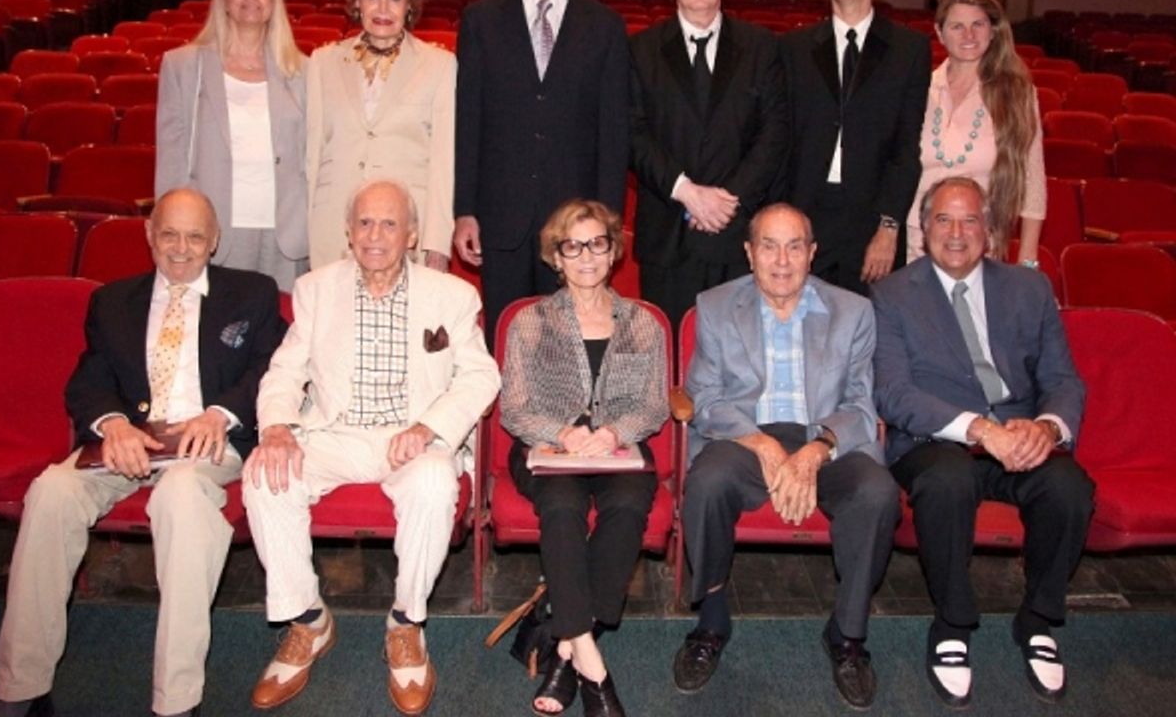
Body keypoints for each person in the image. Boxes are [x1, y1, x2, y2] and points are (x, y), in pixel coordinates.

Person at [0, 188, 285, 717]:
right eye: (168, 234)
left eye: (195, 236)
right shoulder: (113, 301)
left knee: (180, 498)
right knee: (50, 492)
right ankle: (21, 687)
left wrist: (220, 414)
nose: (181, 248)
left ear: (214, 241)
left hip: (207, 446)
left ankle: (176, 699)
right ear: (149, 236)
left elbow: (271, 370)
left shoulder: (252, 294)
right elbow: (89, 380)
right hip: (126, 447)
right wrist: (115, 424)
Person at [243, 179, 500, 715]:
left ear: (411, 235)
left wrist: (429, 428)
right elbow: (285, 370)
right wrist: (276, 428)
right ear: (348, 232)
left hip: (411, 436)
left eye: (388, 224)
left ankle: (406, 624)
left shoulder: (452, 295)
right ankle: (307, 620)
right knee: (264, 473)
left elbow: (480, 377)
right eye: (364, 223)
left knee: (434, 482)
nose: (375, 235)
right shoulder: (316, 289)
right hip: (334, 432)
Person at [872, 176, 1093, 708]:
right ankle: (952, 623)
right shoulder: (892, 294)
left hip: (1020, 434)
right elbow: (894, 394)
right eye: (943, 220)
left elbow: (1064, 381)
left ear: (989, 230)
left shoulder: (1029, 289)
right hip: (937, 438)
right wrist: (979, 428)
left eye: (970, 219)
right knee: (946, 482)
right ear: (923, 231)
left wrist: (1045, 428)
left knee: (1069, 487)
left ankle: (1038, 619)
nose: (956, 232)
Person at [674, 203, 899, 710]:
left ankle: (847, 635)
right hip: (745, 437)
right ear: (749, 253)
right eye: (769, 246)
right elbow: (705, 398)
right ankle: (710, 623)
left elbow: (861, 406)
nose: (781, 261)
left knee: (878, 493)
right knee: (707, 484)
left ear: (812, 253)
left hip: (826, 438)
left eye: (794, 246)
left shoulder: (854, 311)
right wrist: (764, 444)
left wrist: (815, 451)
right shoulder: (715, 305)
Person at [500, 199, 669, 717]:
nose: (587, 257)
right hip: (549, 452)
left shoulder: (644, 324)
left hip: (620, 450)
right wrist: (562, 434)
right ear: (557, 257)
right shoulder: (530, 321)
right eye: (573, 247)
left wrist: (615, 430)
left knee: (626, 509)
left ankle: (563, 641)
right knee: (563, 510)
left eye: (598, 244)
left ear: (614, 251)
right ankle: (590, 663)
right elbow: (513, 407)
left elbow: (655, 405)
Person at [454, 0, 631, 346]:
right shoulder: (480, 21)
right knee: (507, 342)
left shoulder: (606, 27)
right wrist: (464, 210)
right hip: (501, 218)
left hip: (577, 230)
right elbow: (468, 121)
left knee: (573, 345)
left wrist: (605, 226)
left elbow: (614, 134)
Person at [630, 0, 790, 333]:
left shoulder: (761, 47)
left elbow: (775, 133)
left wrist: (726, 201)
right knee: (666, 366)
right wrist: (686, 191)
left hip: (736, 234)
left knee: (738, 362)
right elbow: (633, 132)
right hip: (667, 234)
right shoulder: (640, 50)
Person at [779, 0, 931, 295]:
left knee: (866, 339)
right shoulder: (793, 49)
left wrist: (888, 226)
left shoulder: (908, 51)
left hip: (870, 219)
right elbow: (781, 141)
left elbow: (905, 149)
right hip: (806, 213)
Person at [156, 0, 308, 293]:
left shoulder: (303, 71)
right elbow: (172, 159)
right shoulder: (183, 67)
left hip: (283, 230)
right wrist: (169, 229)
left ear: (274, 1)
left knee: (279, 335)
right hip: (214, 229)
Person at [306, 0, 456, 273]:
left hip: (402, 227)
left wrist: (437, 242)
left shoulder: (440, 65)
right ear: (357, 1)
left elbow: (443, 162)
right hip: (333, 229)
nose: (383, 9)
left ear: (410, 5)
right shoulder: (322, 61)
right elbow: (312, 156)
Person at [906, 0, 1046, 265]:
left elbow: (1032, 181)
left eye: (978, 24)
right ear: (939, 32)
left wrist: (1028, 258)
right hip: (915, 242)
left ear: (993, 30)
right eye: (957, 26)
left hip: (981, 243)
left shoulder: (1016, 93)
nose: (968, 35)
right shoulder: (917, 88)